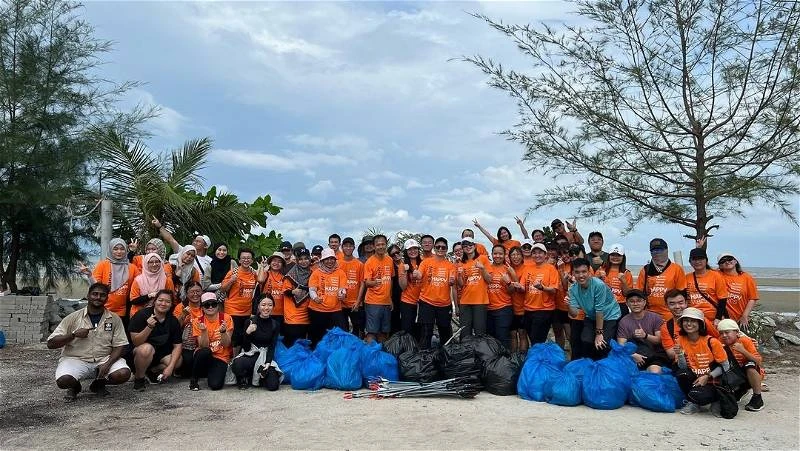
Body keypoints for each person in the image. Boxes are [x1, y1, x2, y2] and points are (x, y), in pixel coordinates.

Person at [47, 283, 131, 401]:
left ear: (107, 298)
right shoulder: (72, 318)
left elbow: (120, 345)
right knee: (63, 381)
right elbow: (51, 343)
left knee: (123, 374)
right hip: (76, 359)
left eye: (102, 295)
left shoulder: (114, 319)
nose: (98, 297)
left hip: (104, 358)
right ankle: (74, 387)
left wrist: (108, 363)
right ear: (88, 295)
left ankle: (99, 384)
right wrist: (73, 335)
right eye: (95, 294)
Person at [674, 307, 730, 415]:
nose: (689, 324)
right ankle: (693, 402)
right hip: (694, 379)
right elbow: (682, 367)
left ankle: (715, 399)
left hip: (712, 381)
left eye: (693, 321)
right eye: (686, 320)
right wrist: (680, 354)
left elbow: (726, 366)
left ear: (700, 323)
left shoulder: (712, 341)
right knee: (682, 374)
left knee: (701, 396)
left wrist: (708, 376)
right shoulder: (680, 340)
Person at [128, 289, 183, 390]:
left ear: (171, 305)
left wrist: (170, 367)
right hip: (141, 352)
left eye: (167, 302)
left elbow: (178, 345)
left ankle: (152, 371)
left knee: (177, 361)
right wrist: (149, 327)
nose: (163, 304)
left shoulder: (172, 320)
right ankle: (139, 378)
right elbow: (136, 342)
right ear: (155, 301)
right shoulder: (141, 315)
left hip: (161, 353)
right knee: (146, 349)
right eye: (160, 300)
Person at [568, 257, 621, 360]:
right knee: (586, 340)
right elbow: (574, 314)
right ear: (573, 273)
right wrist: (569, 304)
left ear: (589, 272)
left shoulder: (598, 285)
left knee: (602, 343)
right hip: (591, 315)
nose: (581, 275)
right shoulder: (573, 289)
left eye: (584, 272)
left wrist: (599, 333)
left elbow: (599, 310)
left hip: (610, 315)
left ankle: (604, 365)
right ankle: (591, 365)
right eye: (577, 272)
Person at [512, 243, 560, 345]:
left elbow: (554, 290)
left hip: (544, 310)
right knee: (533, 340)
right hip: (528, 309)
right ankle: (537, 358)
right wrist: (517, 286)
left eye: (540, 253)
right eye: (534, 253)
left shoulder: (551, 269)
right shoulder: (528, 268)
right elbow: (523, 288)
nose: (537, 255)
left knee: (537, 340)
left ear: (545, 254)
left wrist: (542, 287)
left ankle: (539, 359)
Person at [230, 296, 282, 390]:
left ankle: (258, 377)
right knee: (237, 363)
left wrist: (267, 363)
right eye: (263, 305)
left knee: (273, 386)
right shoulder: (250, 321)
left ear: (273, 306)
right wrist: (247, 333)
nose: (266, 308)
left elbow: (272, 346)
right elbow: (245, 348)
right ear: (258, 306)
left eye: (270, 305)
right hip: (251, 354)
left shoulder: (275, 324)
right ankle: (244, 377)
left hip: (264, 356)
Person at [81, 238, 139, 322]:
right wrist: (90, 276)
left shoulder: (132, 267)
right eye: (115, 249)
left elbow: (139, 284)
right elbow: (96, 287)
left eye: (122, 249)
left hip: (122, 311)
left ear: (126, 250)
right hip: (102, 308)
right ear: (110, 250)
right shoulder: (103, 265)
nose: (119, 252)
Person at [414, 237, 456, 349]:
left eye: (443, 247)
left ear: (446, 249)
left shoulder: (450, 265)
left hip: (444, 305)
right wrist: (416, 274)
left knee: (445, 333)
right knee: (425, 333)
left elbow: (452, 280)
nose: (440, 249)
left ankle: (445, 359)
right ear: (434, 248)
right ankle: (424, 360)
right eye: (438, 247)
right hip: (426, 302)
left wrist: (452, 281)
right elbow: (419, 274)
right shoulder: (426, 262)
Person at [660, 289, 720, 364]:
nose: (677, 306)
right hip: (685, 364)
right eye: (672, 304)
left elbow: (718, 339)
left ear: (686, 303)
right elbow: (671, 354)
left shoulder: (701, 320)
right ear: (666, 305)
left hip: (708, 360)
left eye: (680, 303)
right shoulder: (666, 327)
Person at [359, 235, 400, 343]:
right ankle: (370, 356)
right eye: (378, 245)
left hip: (386, 302)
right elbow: (367, 282)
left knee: (384, 332)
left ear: (386, 245)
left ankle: (381, 356)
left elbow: (390, 279)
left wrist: (390, 298)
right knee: (372, 332)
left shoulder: (389, 260)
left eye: (383, 244)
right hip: (373, 302)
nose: (381, 247)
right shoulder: (369, 262)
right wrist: (374, 282)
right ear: (374, 246)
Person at [717, 319, 765, 411]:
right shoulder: (719, 342)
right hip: (733, 372)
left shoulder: (745, 341)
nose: (724, 335)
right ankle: (739, 390)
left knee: (749, 366)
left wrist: (743, 351)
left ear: (736, 332)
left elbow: (758, 361)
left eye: (727, 332)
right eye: (721, 333)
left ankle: (757, 397)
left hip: (750, 372)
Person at [615, 289, 668, 373]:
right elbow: (621, 344)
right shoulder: (624, 321)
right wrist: (633, 355)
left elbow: (659, 340)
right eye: (632, 301)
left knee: (655, 372)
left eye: (639, 301)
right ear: (627, 304)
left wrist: (645, 336)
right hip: (635, 354)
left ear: (644, 302)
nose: (635, 304)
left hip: (655, 354)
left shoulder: (655, 317)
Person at [189, 295, 233, 391]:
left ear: (217, 305)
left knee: (215, 385)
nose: (210, 307)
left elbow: (226, 344)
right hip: (204, 355)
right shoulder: (197, 321)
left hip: (221, 357)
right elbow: (203, 346)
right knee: (205, 351)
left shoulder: (226, 318)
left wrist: (223, 332)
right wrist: (204, 331)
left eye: (213, 304)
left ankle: (210, 373)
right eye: (206, 305)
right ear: (202, 307)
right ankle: (194, 379)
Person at [152, 217, 212, 288]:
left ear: (206, 246)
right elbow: (171, 240)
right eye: (195, 240)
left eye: (198, 241)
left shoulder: (210, 261)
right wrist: (160, 226)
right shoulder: (183, 251)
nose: (195, 242)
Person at [637, 238, 687, 320]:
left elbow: (682, 294)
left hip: (671, 314)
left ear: (666, 250)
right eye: (654, 250)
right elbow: (639, 293)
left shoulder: (676, 269)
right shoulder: (645, 269)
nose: (656, 253)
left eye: (660, 250)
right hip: (649, 314)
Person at [220, 248, 258, 350]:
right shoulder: (233, 272)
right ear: (239, 260)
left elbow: (261, 281)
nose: (246, 260)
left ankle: (240, 359)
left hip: (247, 311)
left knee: (244, 337)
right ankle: (231, 361)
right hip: (233, 310)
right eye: (243, 258)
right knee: (234, 339)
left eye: (248, 258)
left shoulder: (254, 273)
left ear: (252, 260)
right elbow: (223, 289)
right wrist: (231, 280)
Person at [308, 249, 348, 344]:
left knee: (338, 335)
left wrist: (342, 294)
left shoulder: (340, 273)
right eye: (327, 259)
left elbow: (343, 288)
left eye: (332, 259)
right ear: (322, 260)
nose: (329, 261)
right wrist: (315, 297)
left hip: (335, 310)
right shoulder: (316, 273)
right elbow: (312, 289)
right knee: (317, 337)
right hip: (317, 310)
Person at [457, 237, 492, 337]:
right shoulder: (461, 263)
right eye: (465, 246)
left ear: (474, 246)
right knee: (464, 332)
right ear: (462, 248)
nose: (468, 247)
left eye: (470, 245)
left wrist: (483, 268)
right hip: (465, 301)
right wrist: (459, 275)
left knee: (480, 332)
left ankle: (479, 352)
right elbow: (461, 284)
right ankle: (466, 352)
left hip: (480, 301)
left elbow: (489, 280)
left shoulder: (483, 258)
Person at [716, 252, 760, 331]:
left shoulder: (746, 277)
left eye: (729, 259)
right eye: (723, 261)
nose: (727, 262)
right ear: (720, 265)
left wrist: (745, 316)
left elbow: (752, 298)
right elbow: (702, 265)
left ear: (735, 261)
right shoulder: (716, 275)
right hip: (721, 318)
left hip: (739, 319)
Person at [486, 244, 517, 349]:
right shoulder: (487, 268)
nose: (497, 256)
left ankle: (504, 362)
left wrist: (508, 283)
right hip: (488, 309)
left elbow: (513, 291)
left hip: (503, 309)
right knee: (490, 338)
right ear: (492, 254)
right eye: (495, 253)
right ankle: (493, 363)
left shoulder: (508, 269)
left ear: (504, 255)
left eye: (500, 254)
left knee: (502, 337)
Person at [686, 248, 729, 323]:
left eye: (700, 259)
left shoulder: (716, 276)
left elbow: (722, 299)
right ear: (690, 262)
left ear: (706, 260)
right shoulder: (686, 277)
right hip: (693, 318)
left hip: (712, 318)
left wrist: (718, 318)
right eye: (694, 259)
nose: (697, 262)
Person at [129, 253, 174, 318]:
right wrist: (149, 296)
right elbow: (133, 300)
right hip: (139, 315)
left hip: (160, 315)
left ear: (161, 263)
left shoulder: (167, 280)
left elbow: (171, 299)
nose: (154, 264)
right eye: (151, 262)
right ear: (146, 264)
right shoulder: (138, 280)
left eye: (157, 262)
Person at [282, 248, 312, 347]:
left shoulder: (312, 274)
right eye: (301, 259)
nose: (304, 261)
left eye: (306, 258)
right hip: (292, 317)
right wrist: (293, 291)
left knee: (303, 346)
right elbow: (284, 291)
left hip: (307, 316)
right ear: (297, 260)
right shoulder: (291, 274)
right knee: (292, 346)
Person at [174, 281, 204, 377]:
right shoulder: (181, 307)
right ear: (186, 293)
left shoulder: (207, 305)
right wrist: (183, 315)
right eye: (192, 292)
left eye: (198, 291)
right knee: (188, 365)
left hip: (204, 341)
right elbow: (174, 328)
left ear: (202, 292)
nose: (195, 294)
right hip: (186, 344)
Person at [596, 243, 633, 316]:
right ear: (609, 256)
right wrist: (598, 278)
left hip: (620, 306)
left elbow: (627, 294)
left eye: (618, 255)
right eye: (613, 255)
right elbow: (593, 288)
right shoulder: (600, 270)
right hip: (604, 304)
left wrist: (623, 281)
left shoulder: (627, 273)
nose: (615, 257)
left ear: (623, 257)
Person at [339, 237, 365, 337]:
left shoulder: (359, 264)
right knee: (343, 330)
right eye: (346, 246)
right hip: (340, 304)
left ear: (354, 248)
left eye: (350, 246)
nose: (348, 248)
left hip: (355, 304)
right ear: (342, 247)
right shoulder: (337, 263)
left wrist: (358, 301)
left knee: (356, 330)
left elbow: (362, 283)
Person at [258, 251, 292, 327]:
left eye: (279, 262)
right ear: (270, 262)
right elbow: (260, 280)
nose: (276, 263)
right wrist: (262, 267)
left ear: (282, 265)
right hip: (265, 312)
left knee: (276, 337)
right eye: (274, 261)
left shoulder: (285, 278)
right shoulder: (266, 274)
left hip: (280, 313)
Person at [399, 238, 423, 338]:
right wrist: (405, 272)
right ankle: (408, 352)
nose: (413, 251)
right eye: (410, 249)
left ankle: (418, 352)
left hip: (422, 302)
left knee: (419, 329)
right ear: (406, 251)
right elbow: (403, 287)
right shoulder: (402, 265)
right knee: (407, 329)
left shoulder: (423, 263)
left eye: (415, 248)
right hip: (407, 302)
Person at [507, 246, 528, 353]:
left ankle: (523, 358)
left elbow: (521, 289)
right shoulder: (508, 269)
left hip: (523, 307)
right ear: (509, 257)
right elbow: (509, 290)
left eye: (518, 254)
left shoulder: (526, 268)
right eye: (513, 255)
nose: (516, 257)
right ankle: (513, 358)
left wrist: (513, 275)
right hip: (510, 307)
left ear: (522, 256)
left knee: (522, 333)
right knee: (512, 334)